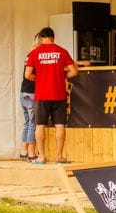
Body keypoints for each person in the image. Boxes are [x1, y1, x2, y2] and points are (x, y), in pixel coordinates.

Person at [25, 26, 79, 164]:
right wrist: (63, 76)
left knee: (40, 126)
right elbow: (74, 72)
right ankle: (59, 156)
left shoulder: (35, 53)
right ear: (53, 38)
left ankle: (41, 157)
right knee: (60, 125)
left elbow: (27, 74)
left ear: (41, 38)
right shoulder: (62, 51)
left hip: (42, 95)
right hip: (59, 94)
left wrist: (39, 78)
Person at [18, 45, 36, 160]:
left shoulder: (29, 55)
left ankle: (23, 150)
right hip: (31, 92)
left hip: (23, 92)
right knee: (32, 123)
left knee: (28, 122)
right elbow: (29, 75)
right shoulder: (36, 56)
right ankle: (31, 153)